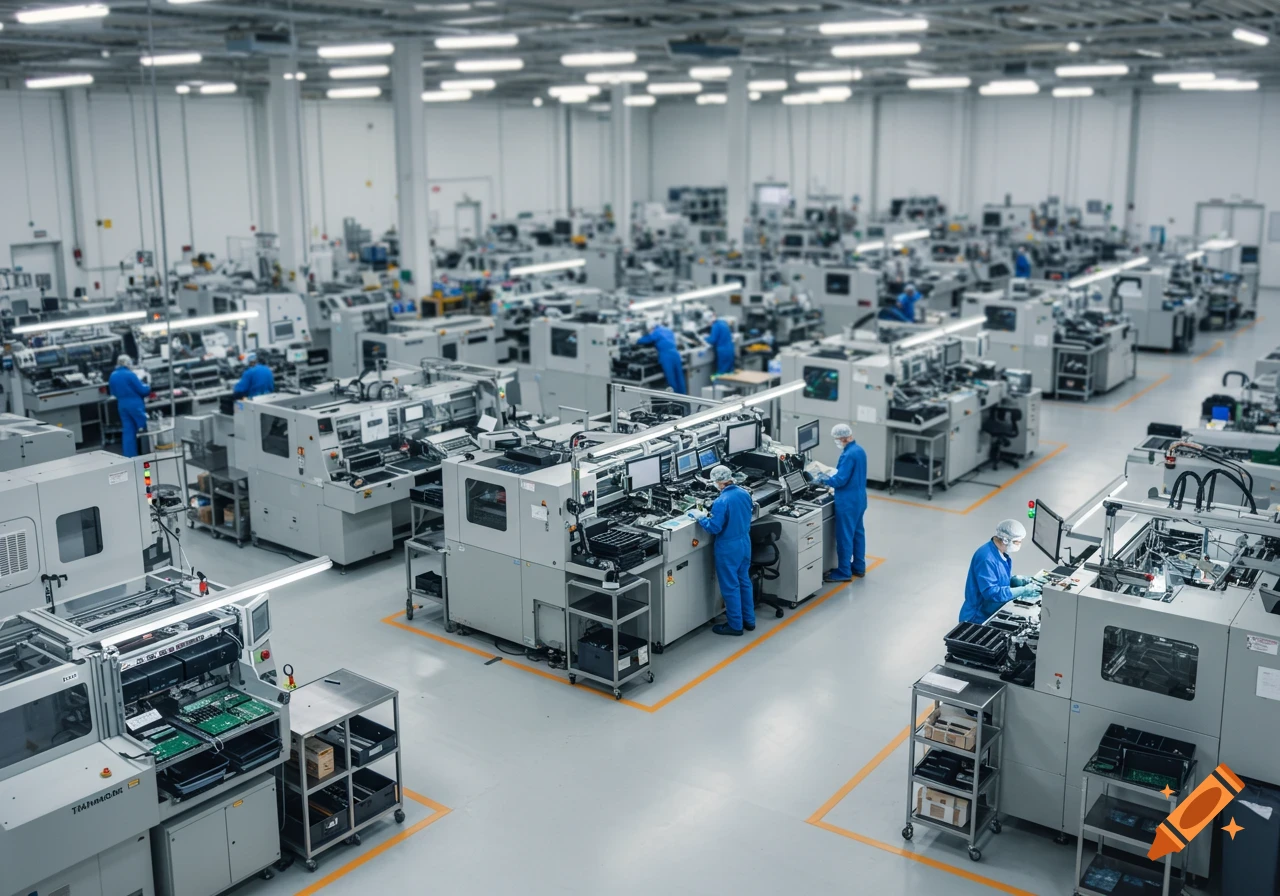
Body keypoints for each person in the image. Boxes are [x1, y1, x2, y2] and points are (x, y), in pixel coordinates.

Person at [690, 465, 756, 636]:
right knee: (744, 581)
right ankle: (749, 620)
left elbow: (714, 527)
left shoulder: (722, 501)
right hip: (744, 542)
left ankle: (735, 626)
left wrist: (700, 517)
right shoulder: (743, 493)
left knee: (730, 586)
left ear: (718, 483)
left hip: (728, 547)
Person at [812, 423, 867, 582]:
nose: (837, 442)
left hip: (847, 502)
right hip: (860, 499)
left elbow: (841, 480)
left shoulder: (848, 455)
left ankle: (844, 571)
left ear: (842, 438)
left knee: (845, 537)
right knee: (858, 534)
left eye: (837, 439)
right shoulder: (859, 450)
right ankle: (859, 566)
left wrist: (823, 480)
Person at [959, 519, 1042, 624]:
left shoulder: (1000, 553)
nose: (1020, 544)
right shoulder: (986, 558)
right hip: (977, 618)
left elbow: (997, 578)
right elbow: (992, 593)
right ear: (1005, 540)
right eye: (1017, 542)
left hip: (989, 611)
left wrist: (1014, 580)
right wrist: (1023, 590)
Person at [109, 354, 150, 458]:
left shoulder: (113, 376)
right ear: (127, 363)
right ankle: (148, 454)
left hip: (122, 405)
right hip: (135, 405)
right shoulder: (130, 374)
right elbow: (143, 390)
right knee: (144, 427)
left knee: (128, 430)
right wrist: (148, 385)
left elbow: (113, 392)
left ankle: (130, 456)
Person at [636, 320, 687, 394]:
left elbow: (647, 339)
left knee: (671, 379)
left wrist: (636, 340)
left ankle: (676, 401)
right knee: (679, 377)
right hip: (676, 355)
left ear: (651, 328)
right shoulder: (667, 329)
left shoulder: (656, 332)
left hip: (667, 357)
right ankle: (684, 398)